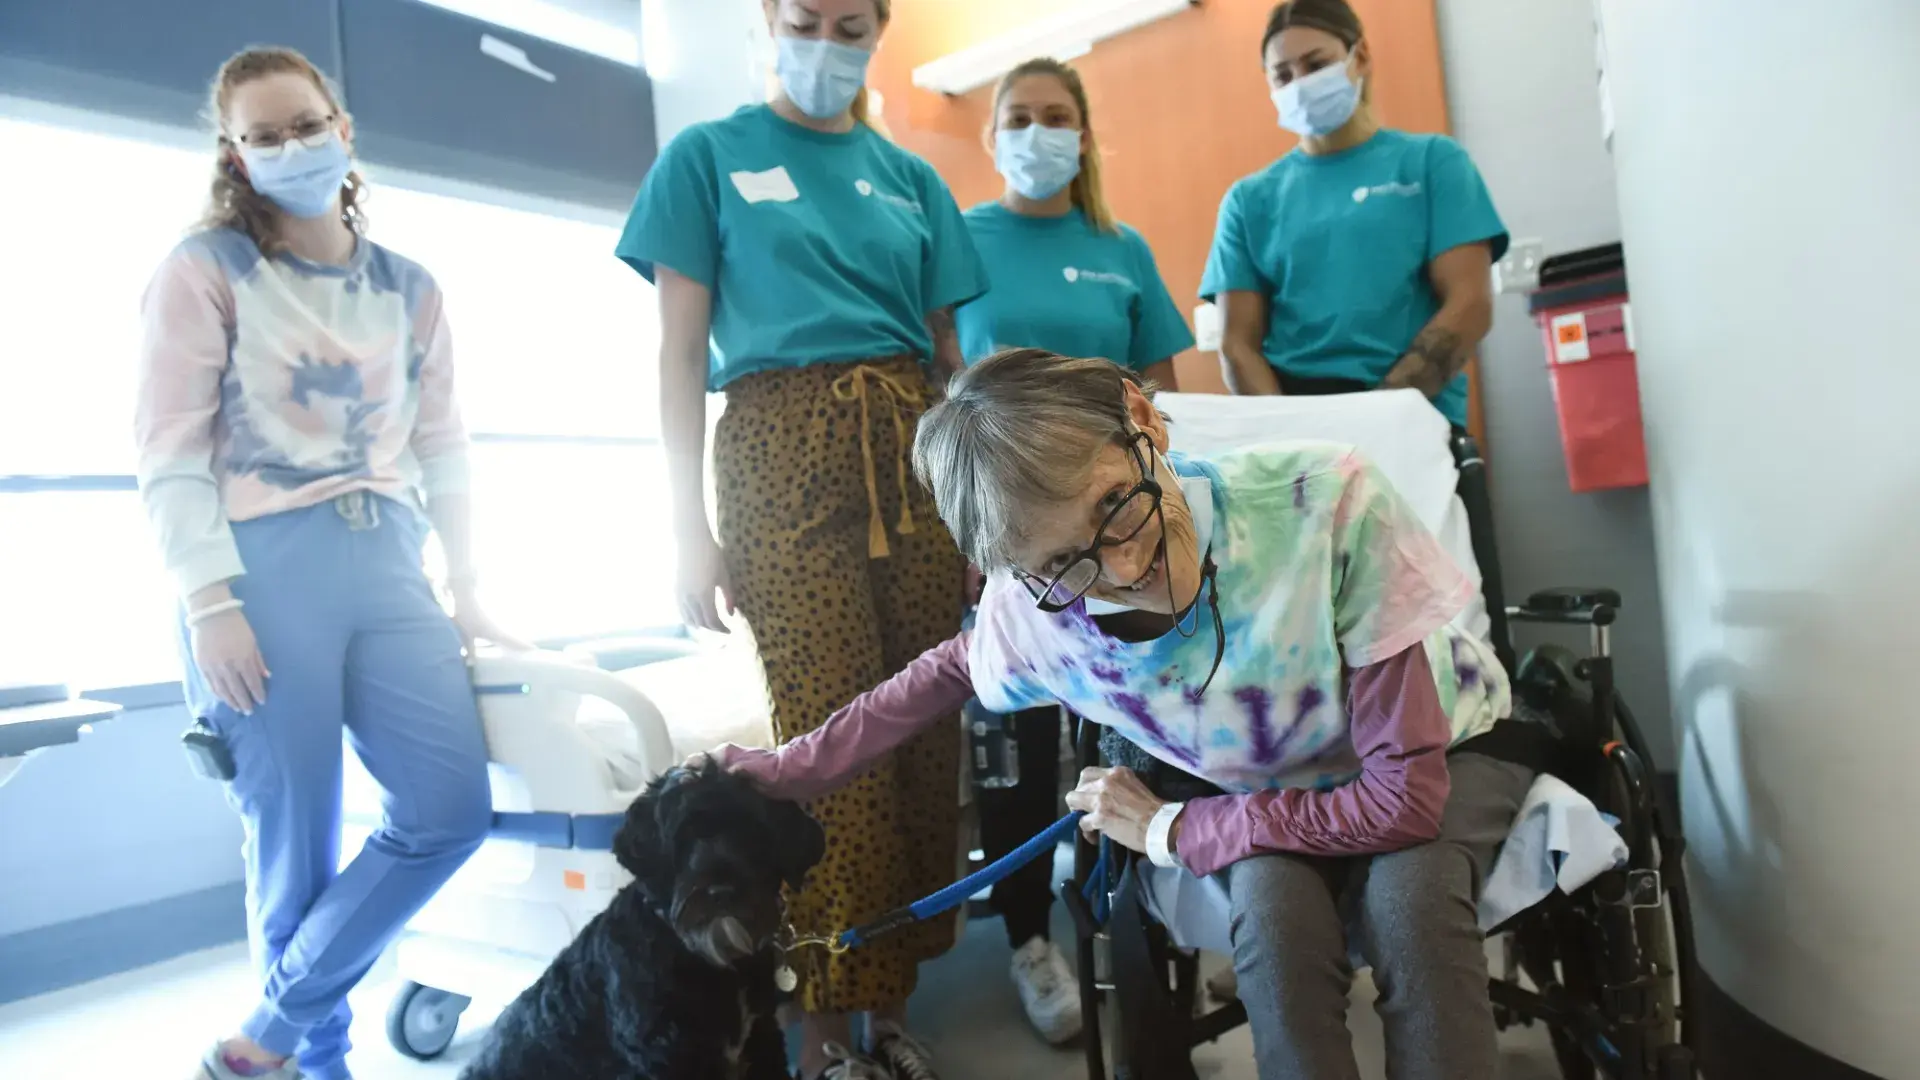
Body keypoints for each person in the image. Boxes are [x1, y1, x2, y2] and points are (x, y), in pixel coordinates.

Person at [705, 349, 1544, 1079]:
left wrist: (1181, 831)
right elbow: (941, 674)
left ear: (1144, 421)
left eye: (1114, 505)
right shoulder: (1039, 612)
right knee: (1276, 922)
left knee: (1414, 902)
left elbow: (1403, 802)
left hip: (1446, 751)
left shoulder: (1325, 504)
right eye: (1063, 561)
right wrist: (784, 771)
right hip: (1267, 788)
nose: (1128, 565)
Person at [615, 2, 987, 1077]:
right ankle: (822, 1031)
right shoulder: (706, 158)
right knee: (827, 750)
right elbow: (679, 357)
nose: (828, 36)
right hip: (778, 453)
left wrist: (976, 515)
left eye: (851, 20)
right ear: (772, 21)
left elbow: (949, 360)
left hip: (914, 451)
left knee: (923, 737)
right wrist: (689, 530)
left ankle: (890, 1013)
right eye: (806, 16)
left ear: (878, 29)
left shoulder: (911, 178)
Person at [135, 47, 519, 1080]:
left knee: (449, 811)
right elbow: (167, 452)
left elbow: (444, 446)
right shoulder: (205, 270)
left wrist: (470, 583)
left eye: (306, 124)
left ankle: (267, 1031)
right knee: (293, 848)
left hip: (391, 562)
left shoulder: (409, 287)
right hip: (258, 574)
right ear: (234, 153)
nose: (291, 147)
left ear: (343, 128)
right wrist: (207, 601)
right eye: (265, 137)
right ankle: (318, 1066)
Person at [950, 58, 1194, 1045]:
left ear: (1084, 133)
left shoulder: (1119, 247)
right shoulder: (960, 245)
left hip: (1120, 532)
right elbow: (939, 395)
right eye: (1019, 117)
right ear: (993, 134)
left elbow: (1167, 399)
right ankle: (1028, 941)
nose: (1038, 133)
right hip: (1010, 538)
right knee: (1018, 746)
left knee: (1132, 725)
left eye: (1057, 117)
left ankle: (1135, 912)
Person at [1205, 0, 1508, 433]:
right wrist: (1293, 435)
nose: (1300, 84)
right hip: (1299, 421)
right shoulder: (1248, 200)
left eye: (1316, 64)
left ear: (1359, 56)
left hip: (1412, 414)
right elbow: (1237, 344)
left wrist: (1380, 416)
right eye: (1283, 75)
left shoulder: (1433, 163)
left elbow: (1470, 304)